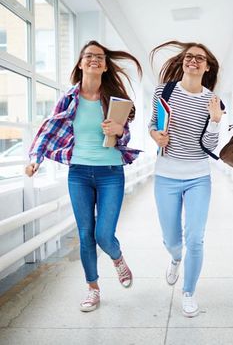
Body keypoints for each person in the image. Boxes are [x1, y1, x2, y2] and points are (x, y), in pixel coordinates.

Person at [25, 40, 142, 312]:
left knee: (104, 234)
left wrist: (118, 129)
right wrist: (35, 159)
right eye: (89, 56)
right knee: (85, 234)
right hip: (78, 173)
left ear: (104, 66)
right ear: (80, 63)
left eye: (99, 57)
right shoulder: (68, 98)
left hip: (111, 173)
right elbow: (48, 129)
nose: (94, 60)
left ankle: (117, 257)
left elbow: (124, 137)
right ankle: (93, 289)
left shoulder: (115, 99)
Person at [148, 40, 224, 317]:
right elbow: (153, 125)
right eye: (189, 57)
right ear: (182, 62)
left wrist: (215, 119)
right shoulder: (163, 91)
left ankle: (189, 291)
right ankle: (175, 257)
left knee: (195, 238)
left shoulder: (212, 101)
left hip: (198, 177)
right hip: (166, 174)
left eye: (200, 59)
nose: (194, 61)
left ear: (207, 67)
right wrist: (156, 135)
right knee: (171, 239)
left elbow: (209, 145)